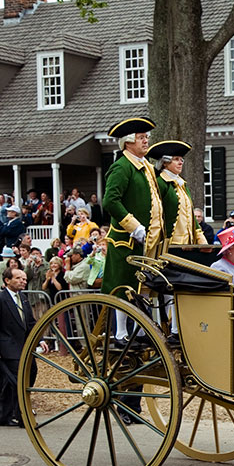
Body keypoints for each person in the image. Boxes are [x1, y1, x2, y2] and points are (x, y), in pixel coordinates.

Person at [102, 117, 167, 342]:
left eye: (146, 137)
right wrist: (134, 225)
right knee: (124, 285)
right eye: (141, 138)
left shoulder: (146, 167)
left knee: (144, 284)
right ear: (128, 142)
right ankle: (120, 331)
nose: (146, 141)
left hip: (148, 238)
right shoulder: (121, 167)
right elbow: (110, 201)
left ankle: (140, 329)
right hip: (127, 239)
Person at [0, 268, 43, 427]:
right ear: (7, 281)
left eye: (24, 279)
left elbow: (30, 323)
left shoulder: (23, 298)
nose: (23, 281)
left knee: (19, 378)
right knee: (18, 382)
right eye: (18, 278)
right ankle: (22, 416)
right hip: (8, 348)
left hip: (23, 346)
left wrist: (40, 340)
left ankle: (4, 416)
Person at [148, 140, 207, 245]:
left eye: (181, 160)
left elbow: (191, 215)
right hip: (169, 243)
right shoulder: (160, 183)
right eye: (176, 159)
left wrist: (200, 238)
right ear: (165, 162)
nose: (180, 162)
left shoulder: (182, 184)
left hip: (188, 243)